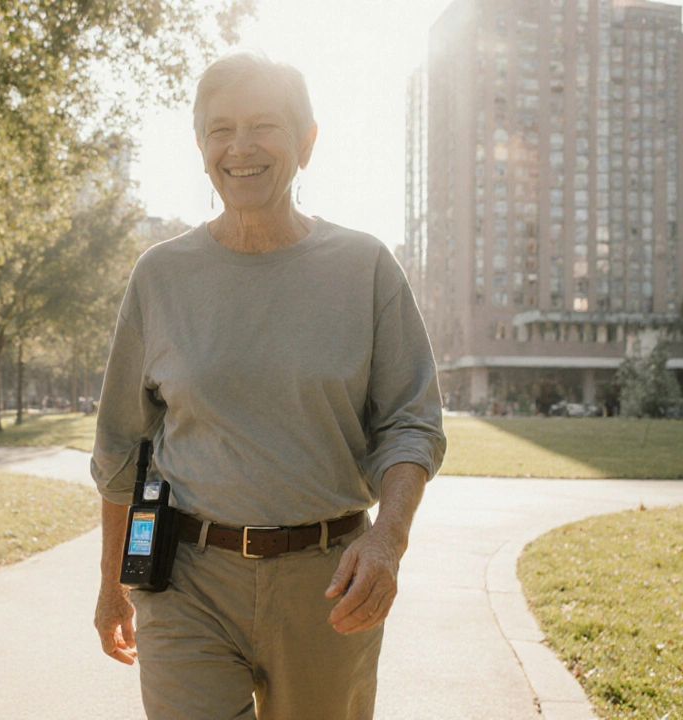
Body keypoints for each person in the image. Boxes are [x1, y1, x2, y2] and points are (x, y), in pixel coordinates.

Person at [91, 50, 446, 720]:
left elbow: (411, 423)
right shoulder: (159, 276)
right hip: (186, 582)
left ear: (306, 143)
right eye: (221, 129)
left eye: (264, 126)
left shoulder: (365, 267)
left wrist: (388, 542)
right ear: (201, 148)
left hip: (329, 583)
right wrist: (114, 585)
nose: (241, 147)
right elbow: (121, 447)